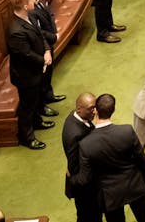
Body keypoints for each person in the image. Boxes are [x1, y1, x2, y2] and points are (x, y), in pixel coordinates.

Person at [72, 94, 145, 222]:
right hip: (134, 185)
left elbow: (85, 178)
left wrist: (71, 179)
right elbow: (142, 160)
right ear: (113, 110)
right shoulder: (127, 131)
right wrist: (143, 178)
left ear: (95, 111)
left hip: (110, 195)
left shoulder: (86, 144)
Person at [5, 0, 52, 150]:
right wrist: (43, 60)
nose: (35, 1)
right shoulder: (15, 30)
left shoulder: (30, 16)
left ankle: (37, 122)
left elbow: (40, 36)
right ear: (25, 5)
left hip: (36, 70)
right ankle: (27, 137)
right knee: (27, 106)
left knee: (36, 99)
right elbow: (25, 54)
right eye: (32, 0)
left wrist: (47, 50)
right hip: (26, 75)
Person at [61, 93, 99, 222]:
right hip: (84, 188)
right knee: (88, 216)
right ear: (79, 109)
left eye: (95, 107)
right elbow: (74, 166)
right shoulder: (75, 134)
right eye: (90, 108)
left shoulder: (76, 116)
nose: (94, 111)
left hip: (86, 183)